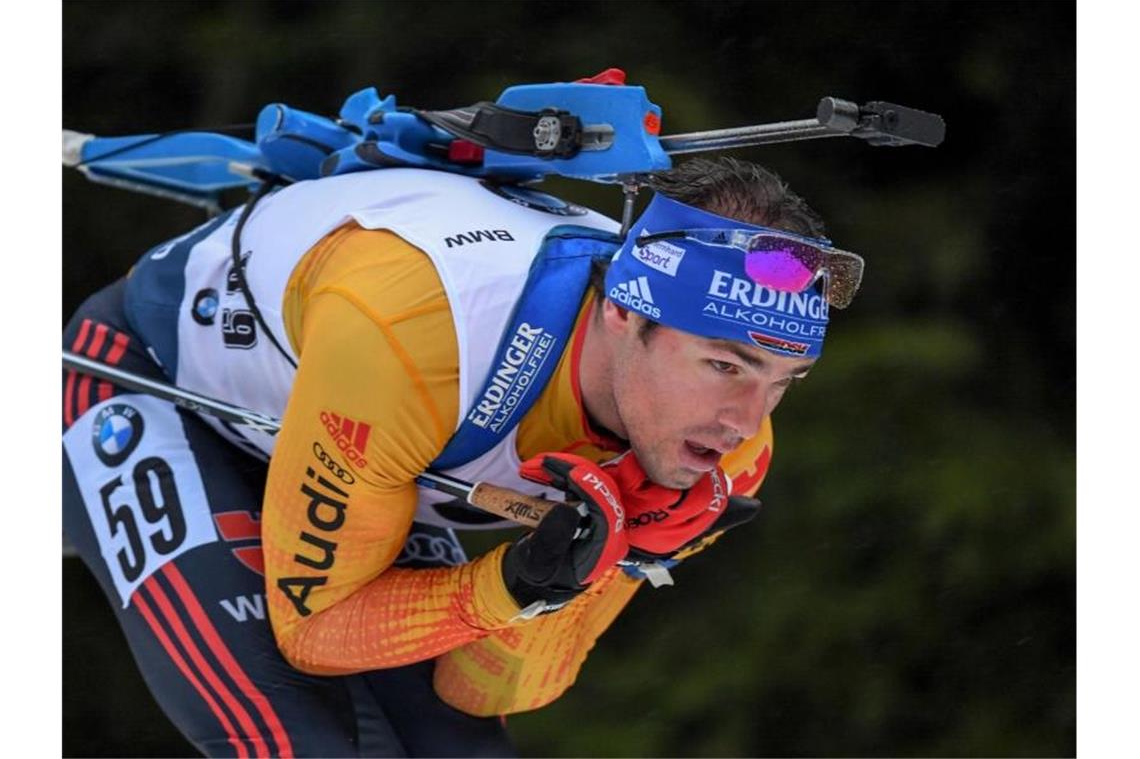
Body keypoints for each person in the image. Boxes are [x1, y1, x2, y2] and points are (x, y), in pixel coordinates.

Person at [62, 155, 862, 757]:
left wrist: (581, 581)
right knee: (293, 738)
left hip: (367, 449)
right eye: (723, 365)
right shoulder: (427, 337)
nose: (744, 418)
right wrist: (507, 583)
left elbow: (481, 693)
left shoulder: (725, 452)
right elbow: (314, 630)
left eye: (783, 380)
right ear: (624, 313)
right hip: (156, 385)